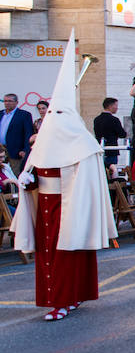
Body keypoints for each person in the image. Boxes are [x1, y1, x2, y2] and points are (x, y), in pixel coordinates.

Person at [13, 35, 117, 322]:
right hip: (45, 208)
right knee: (48, 255)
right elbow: (34, 171)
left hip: (70, 209)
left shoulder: (83, 145)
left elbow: (84, 182)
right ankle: (59, 299)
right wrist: (28, 182)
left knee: (67, 255)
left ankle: (65, 300)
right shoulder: (42, 143)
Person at [2, 92, 35, 173]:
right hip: (1, 150)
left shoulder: (24, 115)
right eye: (5, 101)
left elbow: (28, 134)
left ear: (16, 102)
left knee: (15, 174)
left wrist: (25, 150)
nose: (7, 103)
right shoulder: (1, 114)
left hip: (16, 151)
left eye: (10, 101)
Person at [93, 97, 126, 169]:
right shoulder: (114, 120)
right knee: (112, 170)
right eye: (116, 105)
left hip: (100, 150)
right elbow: (122, 134)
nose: (117, 108)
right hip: (112, 150)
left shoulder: (96, 119)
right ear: (110, 106)